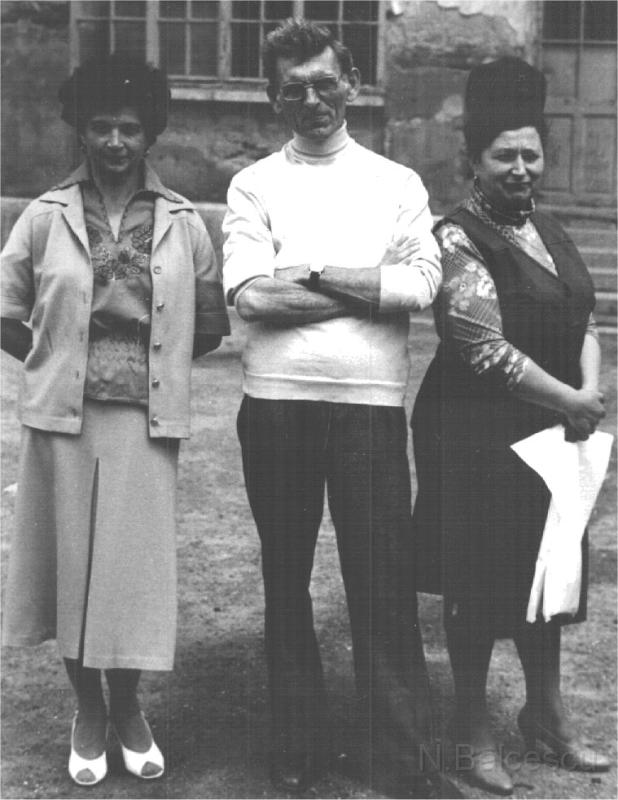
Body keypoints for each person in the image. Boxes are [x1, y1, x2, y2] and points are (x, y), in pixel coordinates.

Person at [223, 18, 463, 800]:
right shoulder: (254, 185)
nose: (312, 100)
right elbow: (252, 298)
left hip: (369, 408)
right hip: (276, 404)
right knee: (285, 577)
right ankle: (297, 742)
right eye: (293, 88)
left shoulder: (397, 184)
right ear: (273, 97)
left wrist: (315, 272)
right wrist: (365, 285)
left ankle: (398, 755)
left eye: (325, 83)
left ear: (352, 84)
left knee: (382, 580)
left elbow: (420, 285)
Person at [1, 54, 229, 787]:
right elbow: (6, 310)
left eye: (129, 128)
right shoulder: (44, 217)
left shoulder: (184, 222)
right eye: (100, 126)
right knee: (71, 569)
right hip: (62, 419)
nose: (115, 142)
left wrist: (145, 361)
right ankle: (88, 709)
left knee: (129, 575)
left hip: (143, 418)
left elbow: (208, 326)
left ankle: (128, 706)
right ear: (80, 128)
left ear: (150, 131)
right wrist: (55, 361)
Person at [411, 57, 610, 795]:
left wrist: (586, 391)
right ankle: (470, 728)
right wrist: (571, 402)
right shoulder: (458, 238)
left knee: (550, 567)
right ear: (474, 161)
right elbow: (484, 350)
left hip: (554, 430)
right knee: (479, 577)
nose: (521, 169)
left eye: (531, 154)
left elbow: (586, 319)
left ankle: (546, 715)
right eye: (505, 156)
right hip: (474, 433)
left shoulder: (550, 230)